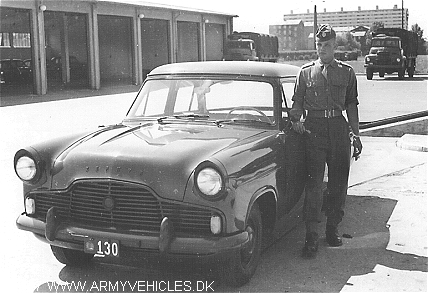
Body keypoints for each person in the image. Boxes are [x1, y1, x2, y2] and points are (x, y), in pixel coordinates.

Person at [289, 24, 363, 257]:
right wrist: (295, 119)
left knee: (338, 182)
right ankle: (311, 235)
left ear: (334, 47)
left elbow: (351, 105)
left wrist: (356, 134)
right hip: (314, 130)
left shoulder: (347, 72)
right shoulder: (305, 73)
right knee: (313, 184)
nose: (322, 49)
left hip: (339, 129)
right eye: (319, 45)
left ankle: (332, 228)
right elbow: (297, 102)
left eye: (327, 45)